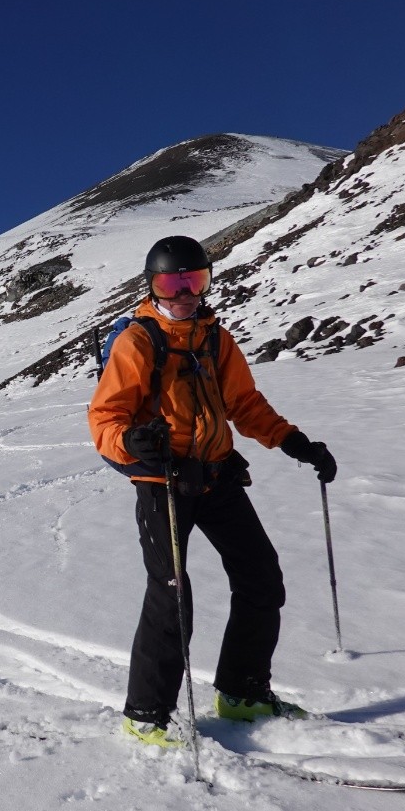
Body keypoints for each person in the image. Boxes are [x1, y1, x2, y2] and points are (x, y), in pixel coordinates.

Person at [87, 235, 337, 748]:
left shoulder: (215, 339)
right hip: (163, 483)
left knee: (261, 578)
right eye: (172, 283)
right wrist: (133, 441)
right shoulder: (138, 342)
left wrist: (294, 442)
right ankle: (146, 716)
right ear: (152, 287)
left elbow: (244, 403)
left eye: (194, 280)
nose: (184, 293)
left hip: (217, 475)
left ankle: (242, 693)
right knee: (173, 594)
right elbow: (105, 418)